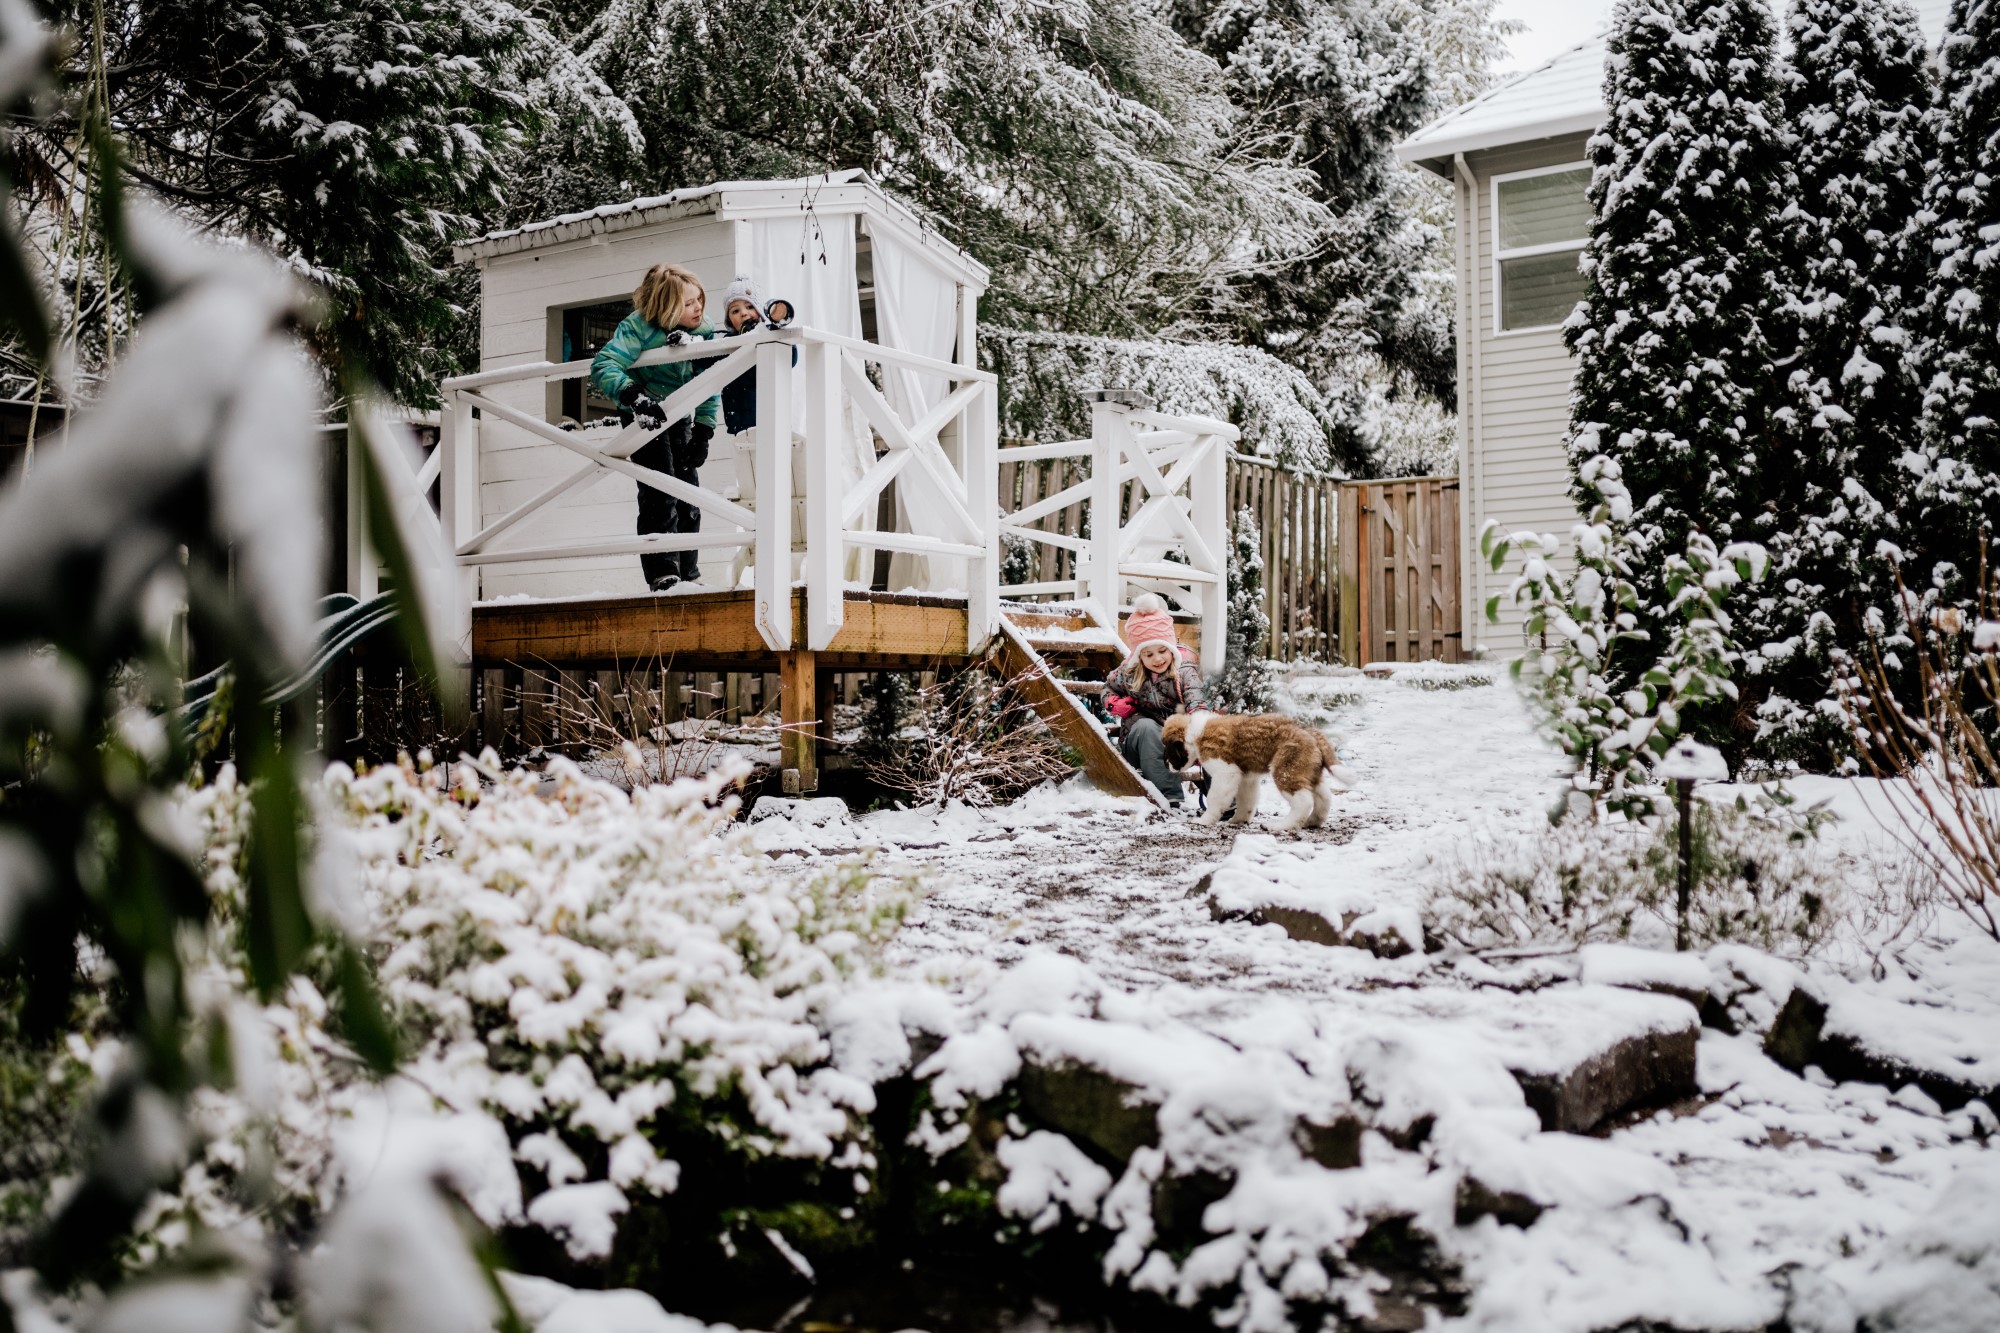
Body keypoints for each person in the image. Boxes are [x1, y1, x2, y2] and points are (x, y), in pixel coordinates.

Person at [590, 264, 720, 590]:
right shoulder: (638, 328)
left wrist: (704, 430)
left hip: (680, 417)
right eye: (689, 303)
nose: (698, 307)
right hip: (642, 415)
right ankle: (663, 572)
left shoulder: (704, 331)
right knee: (660, 492)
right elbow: (605, 364)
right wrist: (633, 397)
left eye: (699, 299)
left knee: (688, 496)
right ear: (666, 306)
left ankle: (689, 573)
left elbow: (710, 380)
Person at [1104, 594, 1207, 806]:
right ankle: (1169, 797)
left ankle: (1226, 802)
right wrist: (1115, 703)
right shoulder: (1128, 673)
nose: (1157, 659)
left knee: (1208, 734)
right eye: (1148, 654)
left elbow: (1196, 700)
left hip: (1176, 747)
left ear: (1171, 648)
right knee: (1146, 726)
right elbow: (1107, 689)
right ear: (1139, 656)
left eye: (1162, 651)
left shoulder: (1184, 671)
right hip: (1139, 744)